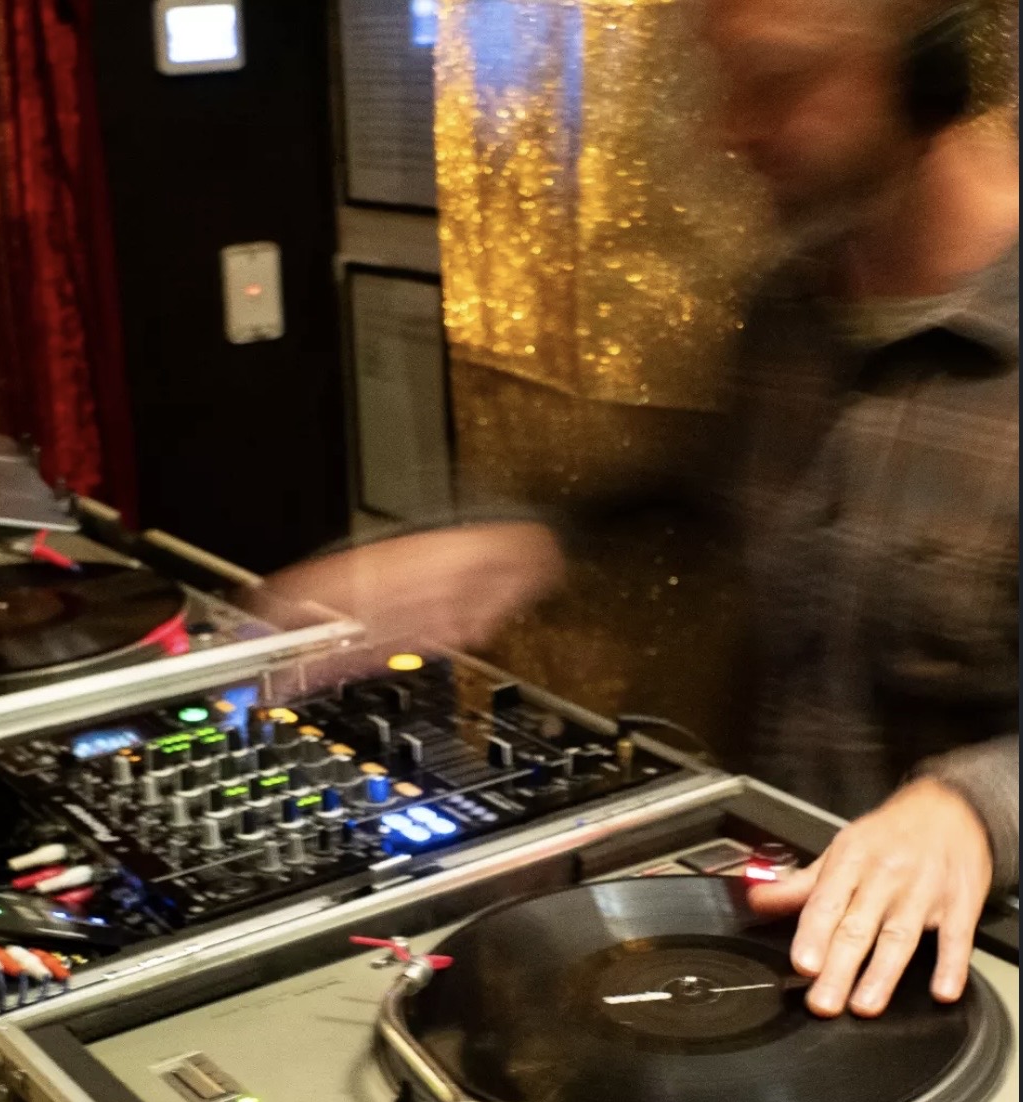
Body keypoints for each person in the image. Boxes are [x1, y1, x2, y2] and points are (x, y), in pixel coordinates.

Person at [262, 0, 1018, 1020]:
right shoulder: (792, 307)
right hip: (794, 940)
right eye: (723, 83)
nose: (730, 130)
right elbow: (713, 497)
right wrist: (523, 541)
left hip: (981, 975)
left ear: (932, 66)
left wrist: (976, 807)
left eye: (779, 80)